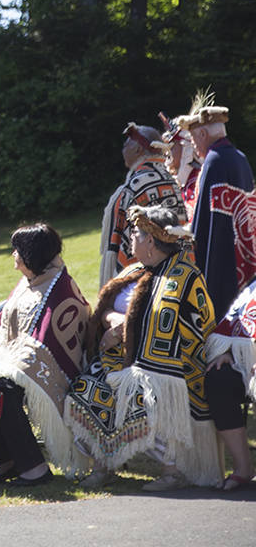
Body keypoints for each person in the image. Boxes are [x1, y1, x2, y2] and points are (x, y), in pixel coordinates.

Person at [64, 204, 219, 490]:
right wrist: (114, 322)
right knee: (85, 391)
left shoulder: (185, 276)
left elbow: (198, 324)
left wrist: (127, 330)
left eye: (135, 232)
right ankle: (104, 464)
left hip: (166, 368)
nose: (130, 238)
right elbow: (107, 307)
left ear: (150, 239)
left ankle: (173, 472)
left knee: (145, 396)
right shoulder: (134, 269)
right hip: (119, 360)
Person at [0, 223, 89, 484]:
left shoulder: (59, 288)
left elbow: (43, 345)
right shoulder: (30, 282)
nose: (13, 255)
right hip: (15, 361)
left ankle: (35, 468)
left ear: (32, 254)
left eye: (17, 250)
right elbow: (1, 325)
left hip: (50, 369)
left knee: (2, 390)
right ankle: (6, 461)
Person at [176, 94, 256, 318]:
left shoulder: (214, 161)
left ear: (203, 133)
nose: (192, 144)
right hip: (244, 254)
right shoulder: (239, 157)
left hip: (223, 261)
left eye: (193, 138)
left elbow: (205, 224)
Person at [98, 122, 185, 287]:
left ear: (138, 150)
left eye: (126, 145)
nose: (123, 150)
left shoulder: (132, 188)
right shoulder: (177, 178)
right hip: (183, 271)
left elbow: (117, 249)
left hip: (147, 281)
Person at [204, 274, 256, 490]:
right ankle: (243, 467)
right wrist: (229, 353)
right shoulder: (253, 285)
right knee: (218, 378)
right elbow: (239, 321)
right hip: (248, 363)